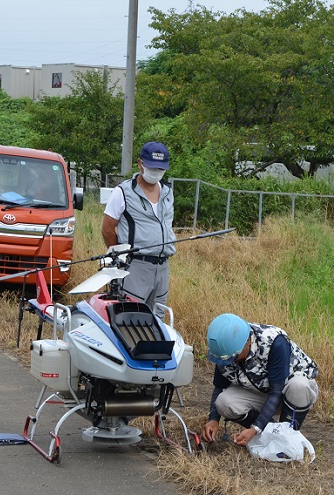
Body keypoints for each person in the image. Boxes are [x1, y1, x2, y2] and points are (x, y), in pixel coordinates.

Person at [201, 313, 319, 447]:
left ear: (248, 341)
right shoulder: (225, 350)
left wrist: (255, 429)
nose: (229, 361)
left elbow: (277, 391)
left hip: (288, 393)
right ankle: (271, 431)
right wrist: (213, 419)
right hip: (259, 391)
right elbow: (219, 387)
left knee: (299, 385)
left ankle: (288, 437)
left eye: (233, 357)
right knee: (224, 402)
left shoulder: (274, 341)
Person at [101, 141, 176, 315]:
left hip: (162, 267)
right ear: (140, 164)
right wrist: (120, 256)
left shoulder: (167, 192)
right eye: (152, 167)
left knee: (157, 319)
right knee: (132, 318)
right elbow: (107, 229)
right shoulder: (123, 192)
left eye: (160, 169)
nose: (156, 172)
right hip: (135, 266)